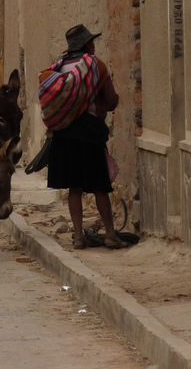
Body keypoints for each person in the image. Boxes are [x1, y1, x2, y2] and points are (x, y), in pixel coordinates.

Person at [46, 24, 127, 250]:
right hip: (89, 133)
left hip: (63, 134)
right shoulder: (95, 66)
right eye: (92, 41)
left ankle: (79, 236)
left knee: (74, 188)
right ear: (86, 44)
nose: (94, 45)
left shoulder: (58, 69)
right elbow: (111, 100)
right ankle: (110, 235)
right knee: (100, 186)